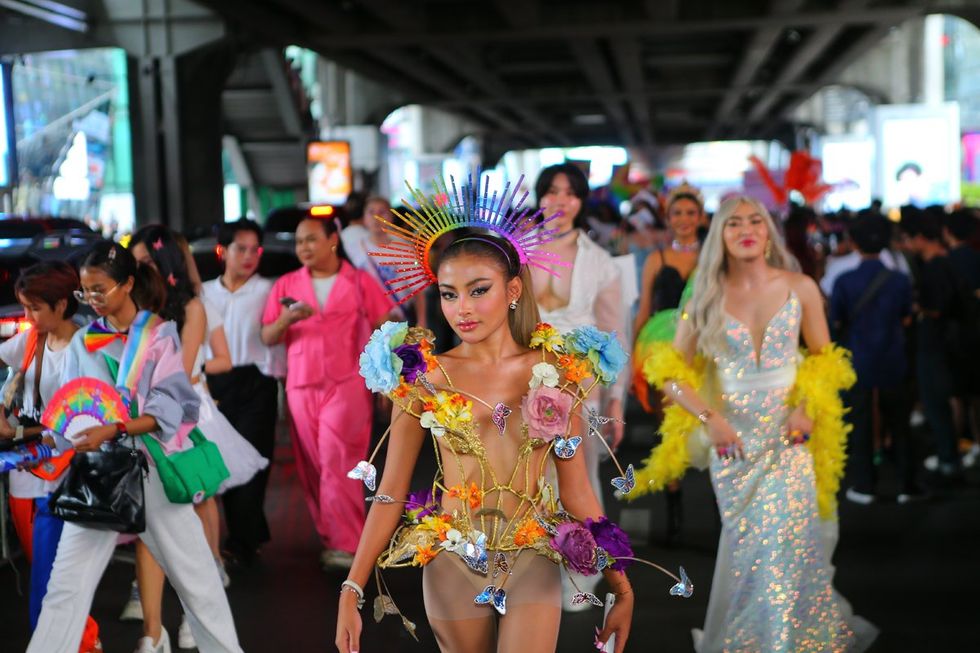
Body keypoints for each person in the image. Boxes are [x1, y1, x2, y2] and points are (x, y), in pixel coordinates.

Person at [335, 178, 639, 653]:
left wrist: (621, 586)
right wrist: (351, 588)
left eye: (479, 291)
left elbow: (577, 489)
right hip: (454, 557)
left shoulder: (557, 372)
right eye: (449, 294)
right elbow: (390, 492)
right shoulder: (423, 377)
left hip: (534, 554)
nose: (463, 309)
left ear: (513, 288)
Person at [631, 196, 876, 652]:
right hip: (734, 443)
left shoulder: (800, 286)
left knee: (792, 542)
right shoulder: (705, 297)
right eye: (733, 223)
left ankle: (786, 642)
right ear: (720, 236)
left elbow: (826, 362)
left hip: (791, 436)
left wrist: (807, 408)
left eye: (755, 221)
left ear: (768, 232)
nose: (746, 229)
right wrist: (711, 420)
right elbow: (669, 373)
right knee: (751, 549)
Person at [28, 241, 242, 653]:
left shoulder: (158, 334)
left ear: (127, 284)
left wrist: (114, 428)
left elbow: (170, 410)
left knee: (198, 584)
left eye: (99, 290)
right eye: (85, 292)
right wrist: (37, 445)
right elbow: (67, 413)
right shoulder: (82, 341)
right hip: (99, 475)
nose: (91, 301)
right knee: (64, 589)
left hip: (155, 471)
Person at [130, 225, 268, 650]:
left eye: (147, 263)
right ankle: (153, 631)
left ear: (166, 265)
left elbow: (176, 375)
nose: (140, 272)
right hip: (139, 420)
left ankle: (200, 599)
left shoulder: (191, 307)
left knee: (195, 500)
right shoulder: (132, 307)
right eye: (135, 265)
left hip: (180, 417)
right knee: (149, 524)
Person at [261, 214, 395, 570]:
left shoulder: (359, 281)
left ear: (332, 240)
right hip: (301, 383)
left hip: (348, 382)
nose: (303, 247)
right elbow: (267, 336)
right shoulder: (287, 284)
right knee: (314, 465)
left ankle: (346, 542)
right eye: (299, 241)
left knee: (339, 459)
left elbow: (385, 327)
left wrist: (385, 378)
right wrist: (287, 320)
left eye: (311, 239)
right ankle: (332, 534)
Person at [529, 163, 629, 608]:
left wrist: (616, 401)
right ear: (538, 197)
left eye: (570, 193)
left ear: (582, 200)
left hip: (579, 386)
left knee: (577, 477)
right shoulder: (515, 251)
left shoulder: (600, 261)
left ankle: (579, 574)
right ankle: (527, 567)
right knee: (524, 476)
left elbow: (615, 337)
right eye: (551, 192)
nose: (560, 202)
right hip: (523, 377)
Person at [0, 262, 101, 653]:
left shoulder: (88, 345)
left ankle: (78, 642)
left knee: (54, 578)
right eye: (23, 308)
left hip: (70, 473)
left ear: (62, 304)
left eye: (34, 309)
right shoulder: (28, 342)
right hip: (26, 474)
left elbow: (90, 419)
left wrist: (22, 432)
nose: (25, 318)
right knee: (45, 572)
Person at [202, 219, 284, 567]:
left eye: (255, 249)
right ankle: (247, 533)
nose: (249, 256)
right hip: (212, 382)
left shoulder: (270, 289)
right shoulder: (204, 292)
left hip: (256, 382)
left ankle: (242, 541)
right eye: (241, 249)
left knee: (252, 460)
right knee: (221, 459)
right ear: (223, 251)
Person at [830, 215, 921, 504]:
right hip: (894, 356)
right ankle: (908, 484)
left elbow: (836, 321)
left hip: (858, 357)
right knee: (900, 422)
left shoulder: (844, 281)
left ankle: (865, 485)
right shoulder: (899, 280)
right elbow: (907, 316)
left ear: (852, 244)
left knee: (859, 421)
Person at [631, 183, 704, 543]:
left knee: (705, 420)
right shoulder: (656, 259)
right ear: (668, 218)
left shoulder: (713, 257)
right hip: (662, 348)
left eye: (691, 213)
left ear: (701, 217)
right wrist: (631, 356)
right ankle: (674, 502)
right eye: (678, 213)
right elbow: (643, 309)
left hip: (704, 347)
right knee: (669, 425)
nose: (685, 220)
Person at [901, 209, 961, 479]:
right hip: (943, 343)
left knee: (935, 402)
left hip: (935, 344)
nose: (907, 245)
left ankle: (948, 458)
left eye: (909, 239)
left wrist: (919, 308)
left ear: (921, 238)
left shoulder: (935, 267)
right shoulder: (945, 262)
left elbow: (938, 307)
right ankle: (949, 454)